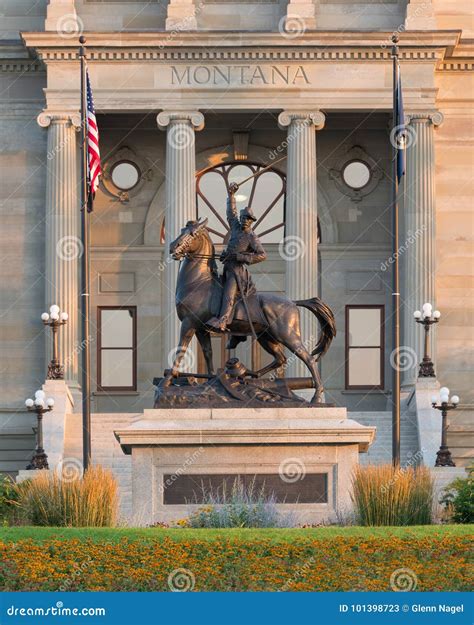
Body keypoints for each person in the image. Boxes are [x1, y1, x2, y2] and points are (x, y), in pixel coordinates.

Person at [206, 182, 266, 332]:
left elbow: (262, 255)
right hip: (227, 268)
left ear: (252, 221)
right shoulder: (236, 228)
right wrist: (231, 196)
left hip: (238, 273)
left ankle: (223, 320)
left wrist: (240, 257)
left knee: (228, 293)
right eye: (243, 217)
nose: (244, 220)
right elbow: (230, 214)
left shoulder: (252, 236)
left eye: (247, 218)